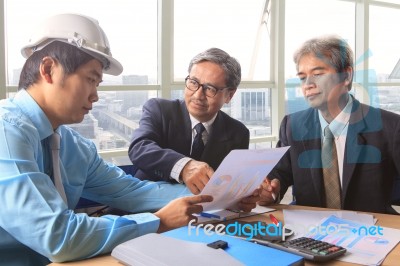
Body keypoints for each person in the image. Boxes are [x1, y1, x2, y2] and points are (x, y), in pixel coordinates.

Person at [0, 14, 260, 265]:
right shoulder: (6, 131)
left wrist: (221, 196)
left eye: (98, 84)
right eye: (90, 80)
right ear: (48, 69)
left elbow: (132, 190)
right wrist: (159, 221)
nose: (95, 96)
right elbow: (58, 236)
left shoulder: (73, 146)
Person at [259, 35, 400, 214]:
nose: (308, 85)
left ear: (346, 76)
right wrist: (270, 191)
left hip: (374, 233)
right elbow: (278, 176)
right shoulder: (292, 125)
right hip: (310, 233)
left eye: (317, 74)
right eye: (302, 78)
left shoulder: (390, 127)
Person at [128, 48, 249, 195]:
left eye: (210, 88)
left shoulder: (238, 133)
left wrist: (240, 196)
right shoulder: (159, 110)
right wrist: (184, 167)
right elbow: (139, 147)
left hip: (205, 214)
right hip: (145, 208)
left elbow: (231, 185)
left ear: (229, 95)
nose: (198, 95)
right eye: (193, 82)